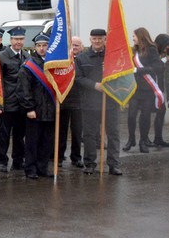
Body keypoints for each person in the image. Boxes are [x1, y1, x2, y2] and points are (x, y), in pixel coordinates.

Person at [75, 28, 122, 175]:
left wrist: (109, 80)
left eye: (100, 39)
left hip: (110, 102)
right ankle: (90, 163)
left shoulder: (112, 57)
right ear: (90, 40)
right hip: (89, 103)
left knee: (113, 134)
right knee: (89, 135)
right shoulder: (82, 58)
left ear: (105, 39)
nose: (97, 41)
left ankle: (113, 164)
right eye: (94, 39)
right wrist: (94, 85)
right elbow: (78, 78)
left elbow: (120, 75)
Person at [17, 33, 56, 179]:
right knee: (32, 142)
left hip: (50, 110)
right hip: (35, 110)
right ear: (35, 47)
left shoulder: (54, 63)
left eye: (44, 45)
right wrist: (29, 108)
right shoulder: (29, 66)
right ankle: (30, 169)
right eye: (39, 46)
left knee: (46, 141)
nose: (42, 48)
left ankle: (42, 168)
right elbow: (23, 89)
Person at [0, 26, 27, 172]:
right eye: (16, 39)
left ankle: (18, 160)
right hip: (7, 102)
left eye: (21, 39)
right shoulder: (1, 56)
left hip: (22, 103)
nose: (18, 42)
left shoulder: (26, 56)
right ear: (10, 39)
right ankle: (0, 160)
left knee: (20, 134)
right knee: (3, 134)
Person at [124, 27, 162, 154]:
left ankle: (143, 141)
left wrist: (138, 70)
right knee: (131, 116)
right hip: (134, 88)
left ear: (140, 37)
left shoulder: (152, 49)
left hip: (147, 89)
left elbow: (157, 67)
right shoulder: (133, 50)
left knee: (145, 116)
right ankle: (131, 139)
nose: (132, 38)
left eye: (134, 36)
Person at [56, 36, 84, 168]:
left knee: (77, 131)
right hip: (63, 100)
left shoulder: (84, 60)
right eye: (72, 45)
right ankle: (60, 156)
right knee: (61, 131)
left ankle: (76, 157)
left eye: (77, 45)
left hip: (79, 101)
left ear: (82, 47)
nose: (74, 48)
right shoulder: (62, 59)